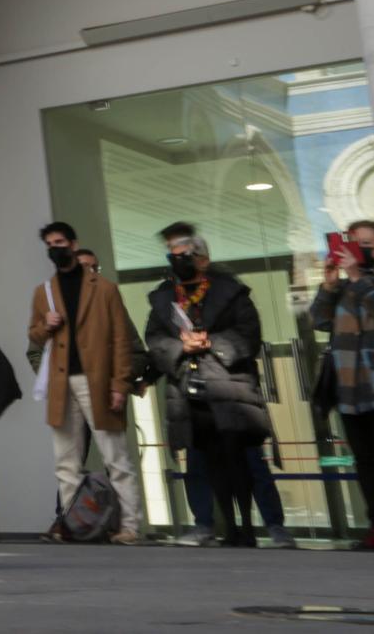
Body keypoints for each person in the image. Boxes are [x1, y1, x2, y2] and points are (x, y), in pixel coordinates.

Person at [145, 223, 268, 547]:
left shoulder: (230, 291)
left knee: (240, 458)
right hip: (190, 389)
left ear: (201, 257)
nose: (178, 261)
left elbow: (249, 335)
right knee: (208, 459)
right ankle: (225, 525)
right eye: (172, 256)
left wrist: (211, 342)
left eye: (184, 255)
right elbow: (155, 340)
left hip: (230, 387)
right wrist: (181, 348)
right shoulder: (164, 298)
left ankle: (250, 526)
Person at [29, 221, 142, 545]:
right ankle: (75, 525)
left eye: (60, 241)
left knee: (115, 458)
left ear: (74, 244)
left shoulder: (103, 288)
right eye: (50, 243)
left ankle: (129, 526)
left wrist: (120, 383)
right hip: (61, 385)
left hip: (98, 381)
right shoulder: (44, 291)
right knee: (66, 461)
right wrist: (45, 326)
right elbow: (33, 335)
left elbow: (121, 338)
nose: (55, 247)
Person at [311, 217, 374, 551]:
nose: (361, 251)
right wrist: (330, 286)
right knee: (365, 463)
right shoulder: (349, 285)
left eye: (367, 245)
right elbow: (319, 320)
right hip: (351, 391)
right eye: (355, 244)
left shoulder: (365, 283)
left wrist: (357, 276)